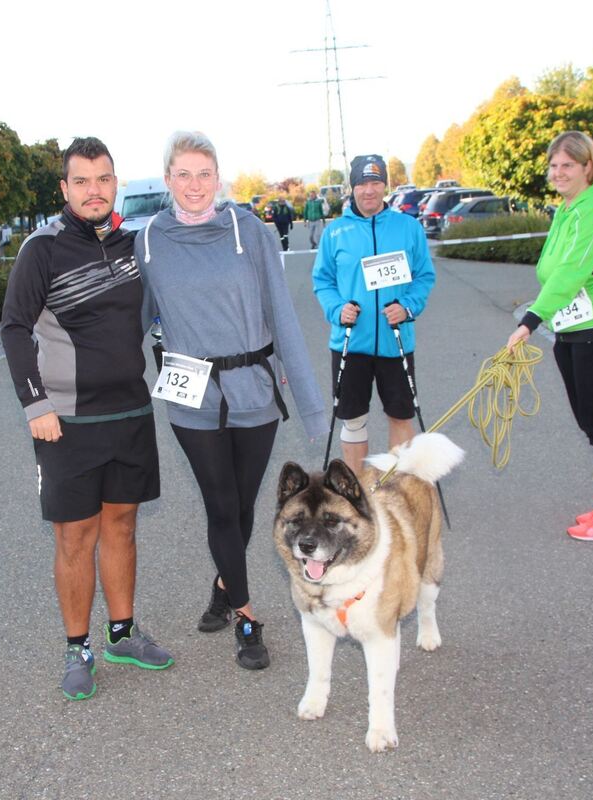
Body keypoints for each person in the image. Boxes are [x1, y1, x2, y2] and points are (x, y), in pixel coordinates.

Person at [136, 131, 326, 670]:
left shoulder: (252, 231)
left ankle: (223, 583)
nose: (194, 185)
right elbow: (135, 321)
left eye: (204, 174)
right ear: (168, 179)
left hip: (253, 390)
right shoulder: (149, 241)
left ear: (218, 178)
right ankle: (245, 615)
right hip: (191, 396)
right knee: (220, 504)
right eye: (183, 174)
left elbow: (282, 316)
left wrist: (309, 399)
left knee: (243, 505)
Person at [0, 136, 173, 701]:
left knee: (122, 524)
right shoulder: (41, 249)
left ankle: (121, 632)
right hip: (66, 420)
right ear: (65, 189)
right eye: (82, 181)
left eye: (103, 179)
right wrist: (35, 404)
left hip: (129, 411)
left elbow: (159, 316)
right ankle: (77, 647)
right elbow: (13, 329)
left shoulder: (131, 245)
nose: (93, 190)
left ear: (114, 183)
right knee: (76, 535)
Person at [505, 130, 593, 542]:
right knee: (590, 419)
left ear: (587, 166)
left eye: (568, 165)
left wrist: (530, 320)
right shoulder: (568, 208)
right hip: (574, 328)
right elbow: (552, 268)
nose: (559, 172)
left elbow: (572, 270)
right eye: (554, 166)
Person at [312, 154, 436, 476]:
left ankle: (397, 488)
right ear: (352, 187)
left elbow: (424, 276)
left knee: (400, 415)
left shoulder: (407, 227)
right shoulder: (335, 232)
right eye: (362, 183)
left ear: (385, 185)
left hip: (396, 341)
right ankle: (358, 493)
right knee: (353, 418)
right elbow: (322, 281)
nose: (369, 190)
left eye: (376, 182)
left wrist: (408, 306)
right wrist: (338, 309)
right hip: (350, 342)